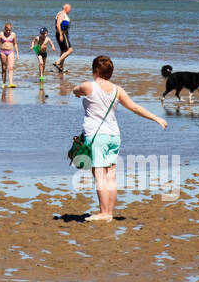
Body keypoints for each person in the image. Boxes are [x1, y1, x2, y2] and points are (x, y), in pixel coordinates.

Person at [71, 55, 168, 222]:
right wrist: (157, 118)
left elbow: (75, 89)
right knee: (111, 176)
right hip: (114, 136)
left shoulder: (89, 86)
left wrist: (77, 93)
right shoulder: (117, 90)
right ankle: (109, 213)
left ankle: (103, 213)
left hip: (96, 137)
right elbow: (135, 107)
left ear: (95, 71)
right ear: (111, 73)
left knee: (99, 175)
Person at [52, 3, 74, 72]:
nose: (70, 10)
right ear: (66, 8)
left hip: (63, 33)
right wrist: (61, 35)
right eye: (70, 9)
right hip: (62, 33)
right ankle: (58, 62)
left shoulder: (64, 14)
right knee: (70, 50)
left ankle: (60, 67)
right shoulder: (62, 14)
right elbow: (58, 24)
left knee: (63, 50)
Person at [0, 23, 18, 88]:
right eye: (7, 30)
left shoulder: (13, 34)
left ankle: (11, 83)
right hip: (3, 52)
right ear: (5, 29)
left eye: (10, 30)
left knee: (11, 68)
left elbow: (15, 44)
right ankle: (3, 83)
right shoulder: (1, 34)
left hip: (11, 52)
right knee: (4, 68)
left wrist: (17, 53)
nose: (8, 32)